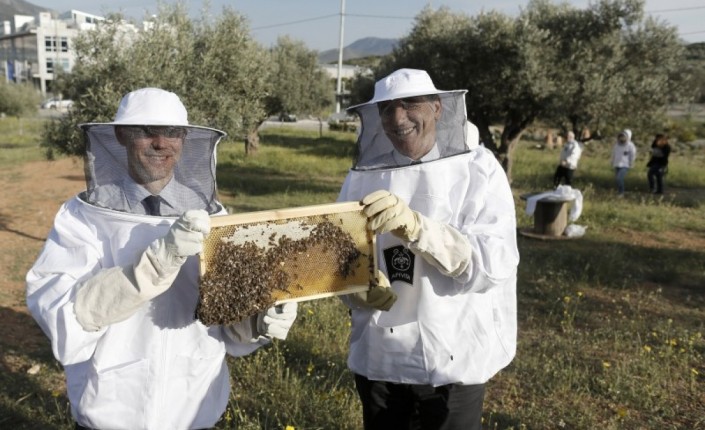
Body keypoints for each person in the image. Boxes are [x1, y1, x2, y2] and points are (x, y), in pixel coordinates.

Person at [26, 88, 298, 430]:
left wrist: (257, 319)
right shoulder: (83, 216)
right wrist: (153, 266)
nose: (161, 142)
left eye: (172, 132)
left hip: (193, 406)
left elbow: (227, 322)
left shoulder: (213, 215)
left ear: (185, 139)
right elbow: (61, 311)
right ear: (122, 135)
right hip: (112, 410)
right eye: (146, 131)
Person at [338, 68, 519, 430]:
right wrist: (355, 290)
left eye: (410, 104)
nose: (398, 117)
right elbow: (341, 254)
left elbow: (492, 263)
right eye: (388, 109)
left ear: (438, 108)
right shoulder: (362, 176)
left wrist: (418, 228)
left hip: (452, 354)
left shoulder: (478, 169)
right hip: (381, 356)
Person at [610, 129, 637, 196]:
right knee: (617, 179)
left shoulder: (630, 145)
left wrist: (631, 163)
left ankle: (621, 192)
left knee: (619, 178)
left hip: (625, 165)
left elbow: (633, 155)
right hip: (617, 164)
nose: (622, 138)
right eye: (621, 136)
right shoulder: (616, 145)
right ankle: (619, 191)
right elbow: (613, 154)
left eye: (624, 136)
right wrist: (612, 162)